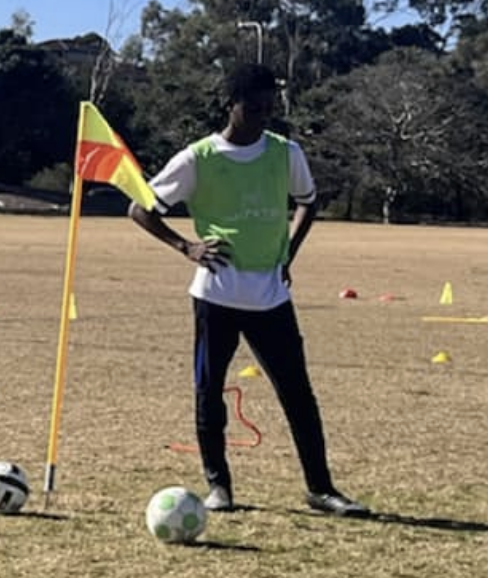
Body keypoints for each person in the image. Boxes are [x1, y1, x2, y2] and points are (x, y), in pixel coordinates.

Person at [128, 63, 369, 516]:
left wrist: (288, 253)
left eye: (268, 108)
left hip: (271, 298)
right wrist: (187, 247)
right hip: (215, 296)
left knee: (298, 393)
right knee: (208, 390)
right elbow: (140, 209)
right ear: (230, 105)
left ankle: (321, 489)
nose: (261, 116)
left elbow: (308, 202)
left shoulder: (285, 153)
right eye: (252, 108)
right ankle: (219, 487)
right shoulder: (198, 158)